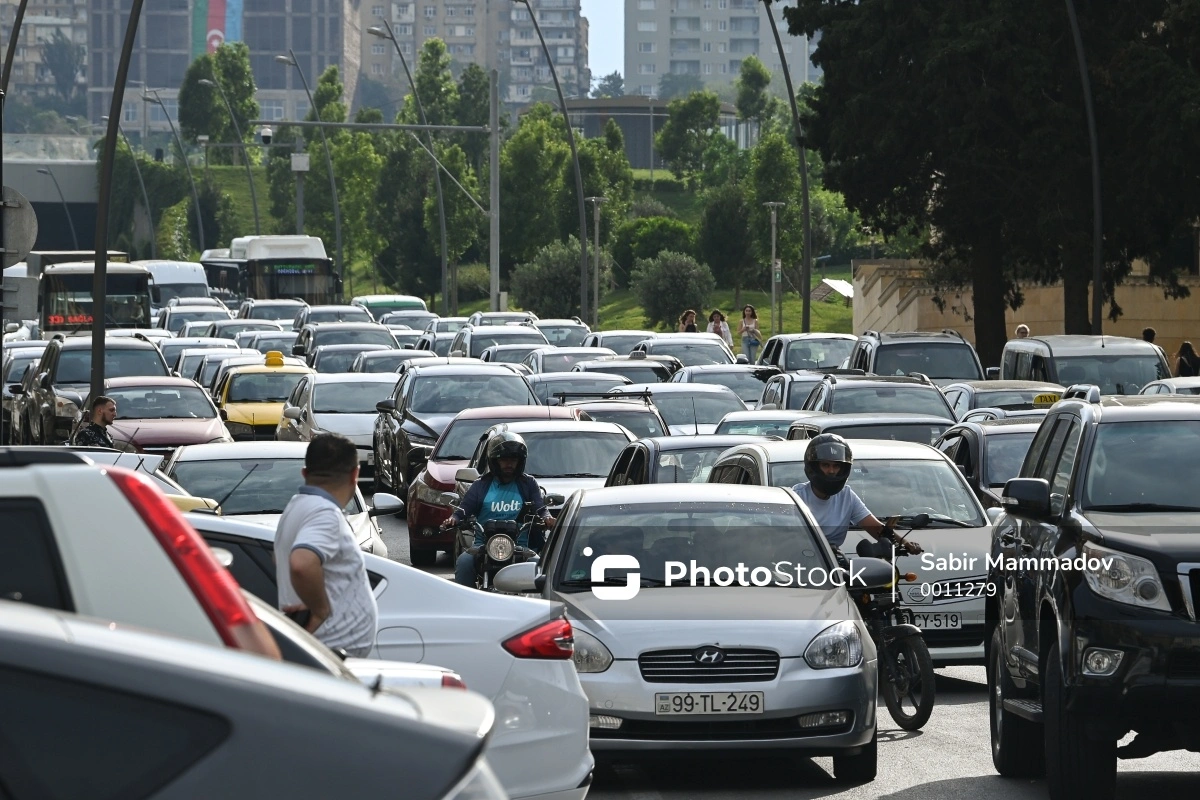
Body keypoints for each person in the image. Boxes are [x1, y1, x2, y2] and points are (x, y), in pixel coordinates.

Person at [276, 434, 378, 657]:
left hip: (321, 649)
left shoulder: (296, 506)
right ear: (355, 474)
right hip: (329, 650)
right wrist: (321, 611)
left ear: (305, 473)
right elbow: (301, 563)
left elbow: (280, 559)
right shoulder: (325, 514)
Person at [442, 431, 555, 586]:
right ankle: (465, 606)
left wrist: (547, 518)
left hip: (519, 546)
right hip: (483, 546)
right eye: (504, 460)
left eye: (513, 460)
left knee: (539, 566)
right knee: (464, 562)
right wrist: (453, 519)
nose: (509, 464)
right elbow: (463, 509)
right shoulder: (480, 485)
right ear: (494, 461)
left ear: (520, 461)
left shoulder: (528, 484)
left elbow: (541, 508)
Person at [790, 434, 922, 564]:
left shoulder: (846, 495)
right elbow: (784, 538)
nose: (831, 471)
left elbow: (875, 527)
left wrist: (905, 543)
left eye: (836, 466)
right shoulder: (797, 497)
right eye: (825, 465)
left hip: (834, 560)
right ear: (813, 467)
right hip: (802, 560)